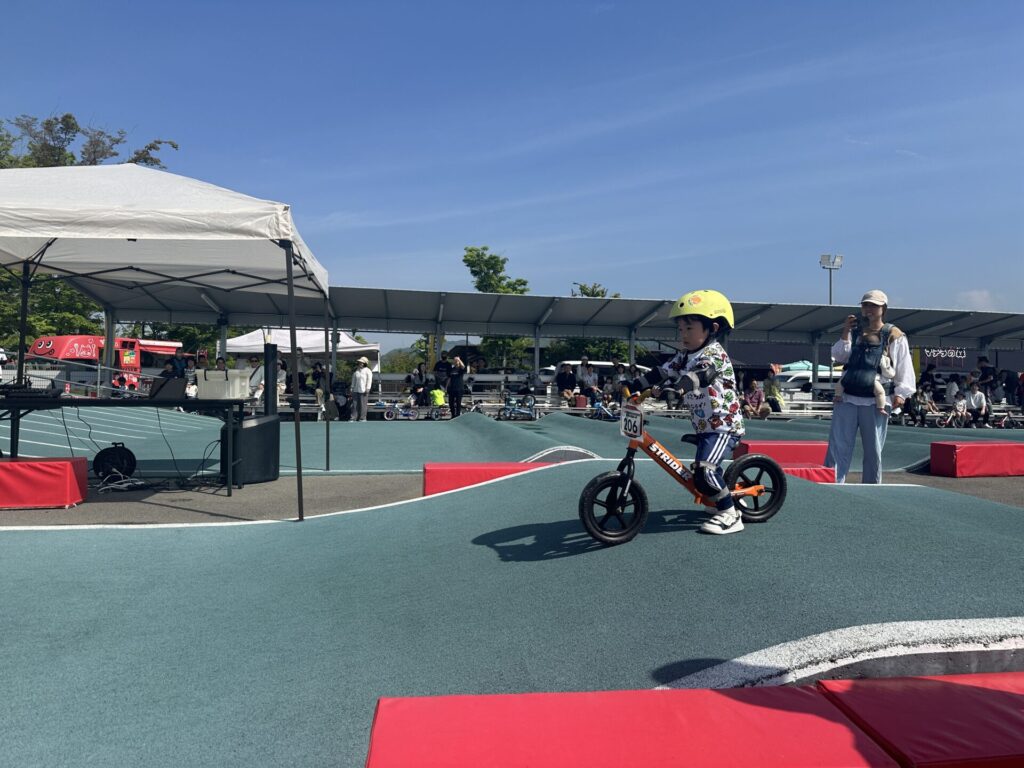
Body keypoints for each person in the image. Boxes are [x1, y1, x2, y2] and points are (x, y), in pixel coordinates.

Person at [631, 289, 746, 535]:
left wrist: (678, 389)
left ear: (713, 328)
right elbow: (661, 372)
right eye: (681, 329)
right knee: (702, 472)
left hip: (723, 426)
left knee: (705, 471)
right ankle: (715, 498)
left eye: (689, 328)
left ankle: (730, 513)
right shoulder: (684, 356)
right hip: (704, 426)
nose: (683, 334)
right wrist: (631, 385)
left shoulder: (714, 354)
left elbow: (700, 375)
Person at [825, 289, 916, 484]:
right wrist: (845, 331)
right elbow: (839, 356)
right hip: (847, 396)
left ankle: (872, 487)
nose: (869, 309)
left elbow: (903, 365)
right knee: (838, 445)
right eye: (865, 304)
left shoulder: (894, 334)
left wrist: (901, 393)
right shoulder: (854, 331)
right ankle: (831, 483)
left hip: (876, 400)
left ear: (884, 308)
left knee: (873, 449)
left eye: (874, 305)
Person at [833, 320, 895, 415]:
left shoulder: (855, 351)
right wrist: (892, 373)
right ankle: (881, 408)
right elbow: (887, 372)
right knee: (880, 393)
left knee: (840, 383)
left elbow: (840, 357)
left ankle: (837, 396)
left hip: (851, 376)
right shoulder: (881, 357)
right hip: (871, 380)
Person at [350, 356, 372, 421]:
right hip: (356, 390)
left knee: (363, 405)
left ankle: (363, 418)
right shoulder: (356, 371)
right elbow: (353, 380)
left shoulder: (368, 371)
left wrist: (368, 388)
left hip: (364, 390)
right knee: (354, 405)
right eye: (359, 362)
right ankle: (353, 417)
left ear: (364, 363)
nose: (360, 363)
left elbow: (369, 380)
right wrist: (352, 387)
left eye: (361, 362)